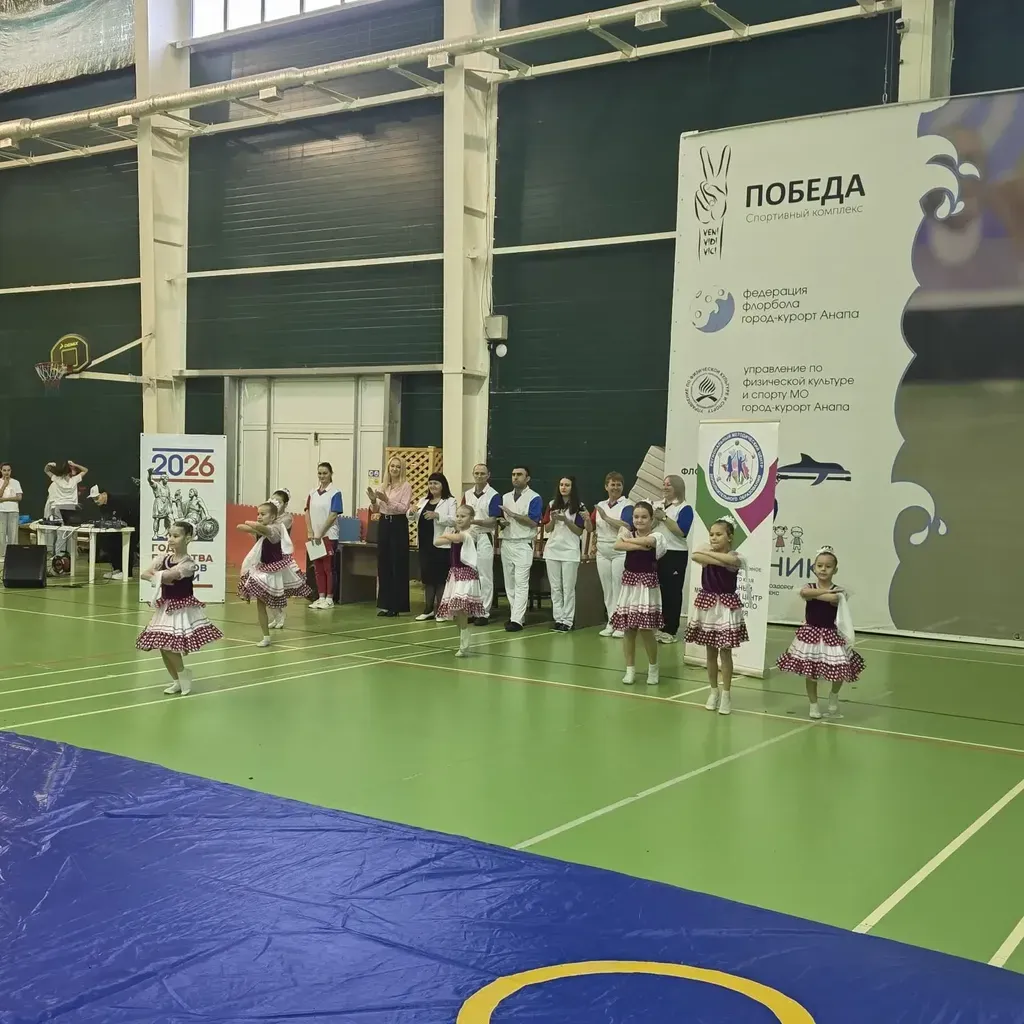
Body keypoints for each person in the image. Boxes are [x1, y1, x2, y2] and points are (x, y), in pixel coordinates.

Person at [777, 545, 864, 719]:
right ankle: (813, 704)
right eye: (820, 565)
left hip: (831, 634)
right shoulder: (809, 586)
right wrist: (821, 592)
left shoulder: (839, 591)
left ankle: (834, 694)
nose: (823, 569)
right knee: (811, 672)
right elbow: (805, 593)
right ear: (814, 568)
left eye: (828, 566)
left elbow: (832, 598)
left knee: (839, 668)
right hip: (811, 634)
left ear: (835, 570)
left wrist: (819, 594)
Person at [137, 520, 224, 696]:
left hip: (181, 608)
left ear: (188, 538)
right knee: (162, 646)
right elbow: (145, 574)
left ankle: (184, 674)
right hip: (165, 606)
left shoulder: (188, 564)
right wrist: (159, 576)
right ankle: (176, 680)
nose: (171, 539)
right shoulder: (163, 558)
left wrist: (158, 576)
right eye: (169, 535)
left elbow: (170, 576)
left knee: (170, 646)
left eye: (176, 536)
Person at [686, 515, 747, 716]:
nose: (713, 538)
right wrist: (711, 555)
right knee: (710, 651)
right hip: (708, 603)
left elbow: (733, 561)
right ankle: (713, 691)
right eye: (711, 534)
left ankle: (726, 693)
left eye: (719, 534)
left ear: (729, 537)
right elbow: (696, 556)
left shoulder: (735, 555)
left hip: (726, 606)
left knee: (725, 652)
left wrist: (710, 555)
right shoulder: (708, 551)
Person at [237, 501, 313, 646]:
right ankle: (266, 635)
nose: (259, 516)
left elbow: (262, 528)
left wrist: (254, 525)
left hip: (273, 571)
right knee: (260, 603)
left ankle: (278, 616)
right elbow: (240, 527)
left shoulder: (276, 529)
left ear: (272, 517)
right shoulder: (263, 528)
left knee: (269, 599)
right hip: (262, 569)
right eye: (258, 514)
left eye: (263, 514)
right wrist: (253, 527)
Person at [611, 502, 667, 685]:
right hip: (629, 584)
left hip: (647, 586)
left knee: (646, 629)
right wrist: (631, 543)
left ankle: (653, 668)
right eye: (636, 517)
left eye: (644, 517)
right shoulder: (629, 533)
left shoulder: (657, 536)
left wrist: (627, 541)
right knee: (629, 629)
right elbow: (617, 546)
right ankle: (630, 669)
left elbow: (648, 542)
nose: (639, 520)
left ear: (651, 519)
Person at [435, 504, 485, 657]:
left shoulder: (471, 532)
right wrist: (448, 535)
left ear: (471, 518)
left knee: (461, 608)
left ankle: (464, 640)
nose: (459, 519)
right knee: (456, 611)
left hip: (466, 575)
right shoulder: (455, 532)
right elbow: (436, 542)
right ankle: (464, 637)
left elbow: (458, 538)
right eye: (457, 516)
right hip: (455, 575)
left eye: (463, 516)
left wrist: (447, 535)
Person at [542, 476, 590, 632]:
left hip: (570, 551)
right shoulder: (552, 504)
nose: (563, 487)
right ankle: (558, 618)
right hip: (552, 549)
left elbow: (579, 531)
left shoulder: (579, 506)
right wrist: (554, 520)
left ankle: (568, 621)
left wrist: (566, 520)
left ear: (572, 487)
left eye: (567, 485)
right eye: (561, 485)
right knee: (555, 587)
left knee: (568, 588)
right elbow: (547, 529)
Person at [498, 466, 543, 632]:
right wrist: (502, 522)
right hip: (507, 541)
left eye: (519, 475)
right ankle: (516, 615)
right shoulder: (505, 497)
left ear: (527, 478)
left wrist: (514, 515)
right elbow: (502, 518)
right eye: (513, 474)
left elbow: (533, 522)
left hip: (524, 543)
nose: (515, 477)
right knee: (509, 583)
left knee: (521, 582)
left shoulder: (534, 497)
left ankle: (516, 620)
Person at [591, 471, 634, 639]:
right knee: (607, 589)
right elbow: (591, 527)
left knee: (618, 588)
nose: (615, 488)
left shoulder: (627, 504)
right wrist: (587, 519)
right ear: (606, 487)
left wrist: (606, 517)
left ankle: (622, 624)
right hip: (602, 551)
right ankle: (611, 622)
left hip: (619, 550)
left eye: (618, 485)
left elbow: (627, 525)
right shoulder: (600, 505)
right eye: (612, 484)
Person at [368, 455, 413, 617]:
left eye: (397, 467)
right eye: (392, 466)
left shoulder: (405, 486)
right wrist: (373, 501)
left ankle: (397, 605)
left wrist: (387, 500)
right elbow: (376, 509)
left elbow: (403, 508)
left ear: (402, 469)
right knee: (384, 562)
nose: (394, 469)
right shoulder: (383, 485)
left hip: (398, 524)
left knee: (397, 563)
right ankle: (385, 604)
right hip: (384, 523)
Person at [410, 472, 458, 620]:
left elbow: (454, 520)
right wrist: (411, 511)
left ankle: (442, 610)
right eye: (430, 483)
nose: (432, 486)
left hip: (441, 545)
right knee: (428, 578)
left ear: (443, 485)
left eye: (436, 483)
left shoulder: (450, 501)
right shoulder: (423, 500)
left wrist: (437, 515)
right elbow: (411, 517)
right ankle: (428, 609)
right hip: (425, 545)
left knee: (440, 578)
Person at [654, 475, 694, 644]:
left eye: (669, 485)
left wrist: (663, 518)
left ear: (677, 487)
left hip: (675, 553)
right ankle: (661, 626)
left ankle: (671, 629)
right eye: (664, 484)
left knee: (672, 592)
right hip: (659, 552)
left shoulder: (685, 508)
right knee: (661, 591)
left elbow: (681, 531)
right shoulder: (660, 506)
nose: (665, 487)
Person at [463, 464, 501, 625]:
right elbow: (462, 514)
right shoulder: (467, 494)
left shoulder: (494, 495)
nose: (479, 476)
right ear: (473, 474)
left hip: (485, 536)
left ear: (488, 475)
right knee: (470, 576)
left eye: (482, 473)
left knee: (485, 576)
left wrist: (475, 521)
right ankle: (472, 610)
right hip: (469, 537)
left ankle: (484, 612)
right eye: (476, 473)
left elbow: (493, 520)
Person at [306, 462, 343, 610]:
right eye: (320, 473)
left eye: (325, 473)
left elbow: (333, 515)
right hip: (314, 537)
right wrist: (310, 531)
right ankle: (321, 597)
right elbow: (307, 512)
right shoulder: (312, 493)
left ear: (331, 474)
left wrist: (321, 532)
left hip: (329, 536)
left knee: (328, 568)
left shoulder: (335, 493)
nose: (322, 476)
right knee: (318, 568)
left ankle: (329, 598)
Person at [87, 484, 140, 580]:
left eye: (97, 498)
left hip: (133, 525)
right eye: (93, 499)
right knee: (111, 544)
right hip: (118, 529)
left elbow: (123, 517)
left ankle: (127, 573)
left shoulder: (118, 501)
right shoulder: (102, 505)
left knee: (127, 546)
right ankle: (117, 569)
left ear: (104, 494)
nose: (95, 501)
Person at [44, 459, 88, 560]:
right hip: (70, 508)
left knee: (61, 532)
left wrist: (49, 465)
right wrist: (75, 464)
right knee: (70, 532)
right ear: (69, 470)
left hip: (60, 507)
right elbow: (85, 470)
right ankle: (68, 556)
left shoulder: (58, 479)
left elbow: (46, 470)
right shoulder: (74, 480)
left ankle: (60, 557)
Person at [268, 488, 294, 628]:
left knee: (277, 588)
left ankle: (281, 614)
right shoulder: (268, 515)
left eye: (278, 501)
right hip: (266, 554)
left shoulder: (287, 518)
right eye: (273, 500)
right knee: (266, 588)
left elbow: (276, 531)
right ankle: (276, 615)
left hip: (279, 556)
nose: (275, 503)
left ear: (285, 504)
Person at [0, 463, 23, 558]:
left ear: (11, 471)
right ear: (1, 471)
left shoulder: (16, 482)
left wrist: (5, 499)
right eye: (4, 470)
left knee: (13, 533)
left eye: (8, 470)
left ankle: (13, 555)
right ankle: (2, 554)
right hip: (1, 510)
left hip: (13, 510)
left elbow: (19, 497)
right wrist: (4, 485)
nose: (6, 472)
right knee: (1, 533)